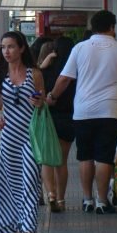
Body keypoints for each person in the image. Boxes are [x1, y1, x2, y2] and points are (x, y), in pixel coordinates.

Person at [47, 10, 117, 214]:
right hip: (110, 111)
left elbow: (64, 79)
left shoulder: (80, 48)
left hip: (83, 112)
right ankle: (102, 201)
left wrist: (52, 97)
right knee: (104, 158)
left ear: (93, 28)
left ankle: (87, 200)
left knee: (85, 156)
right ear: (112, 27)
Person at [0, 31, 45, 233]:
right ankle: (19, 229)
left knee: (31, 181)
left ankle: (29, 229)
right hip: (9, 138)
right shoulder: (0, 77)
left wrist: (40, 101)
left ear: (22, 48)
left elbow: (43, 102)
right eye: (3, 47)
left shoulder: (35, 73)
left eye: (11, 46)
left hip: (31, 136)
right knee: (12, 185)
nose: (7, 51)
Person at [40, 37, 76, 212]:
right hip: (69, 118)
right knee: (62, 162)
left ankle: (51, 195)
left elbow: (32, 86)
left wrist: (42, 65)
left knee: (47, 159)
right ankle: (61, 200)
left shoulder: (46, 71)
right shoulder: (75, 70)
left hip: (49, 118)